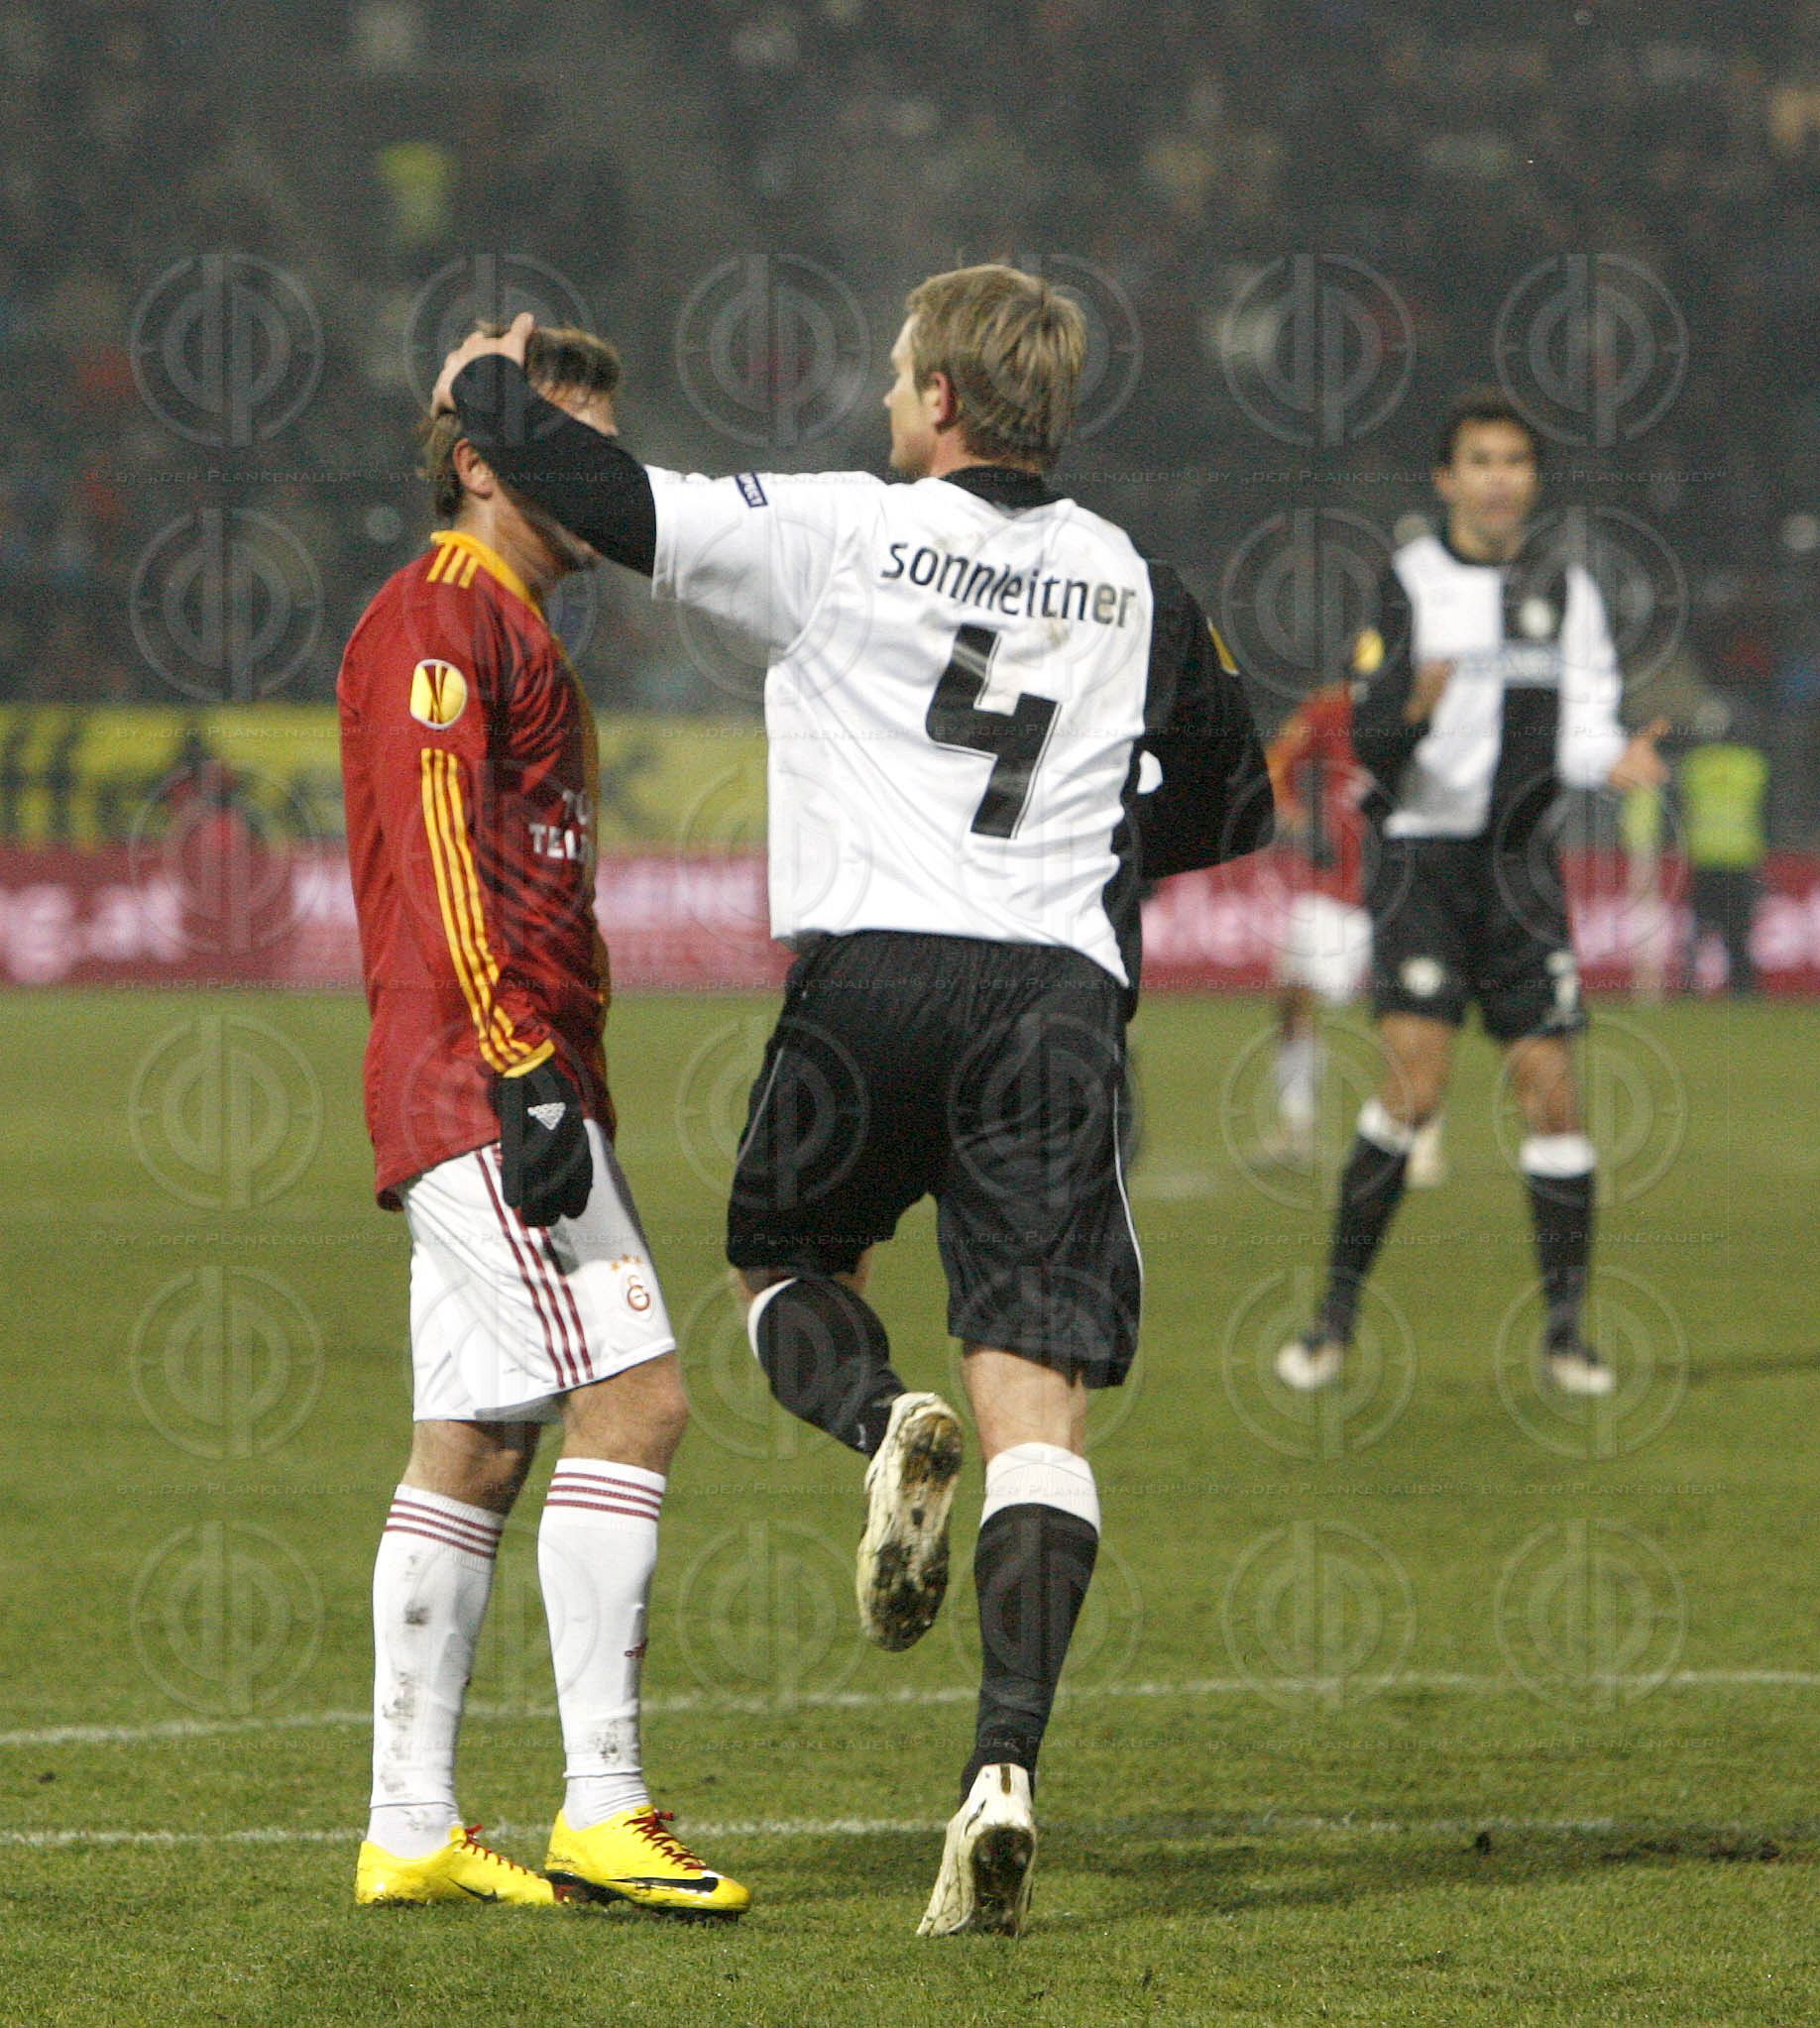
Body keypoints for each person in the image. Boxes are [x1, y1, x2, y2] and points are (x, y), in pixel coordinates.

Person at [434, 266, 1273, 1936]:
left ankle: (874, 1420)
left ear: (943, 401)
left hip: (868, 985)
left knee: (779, 1259)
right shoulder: (1139, 582)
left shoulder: (846, 529)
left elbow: (605, 499)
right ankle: (1003, 1774)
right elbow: (1232, 798)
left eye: (901, 377)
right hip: (1051, 1002)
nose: (889, 400)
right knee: (1038, 1404)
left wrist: (484, 389)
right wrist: (1101, 844)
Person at [338, 324, 747, 1917]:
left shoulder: (510, 626)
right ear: (479, 461)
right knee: (636, 1403)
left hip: (480, 1076)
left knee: (477, 1440)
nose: (607, 479)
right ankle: (603, 1802)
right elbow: (447, 858)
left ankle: (412, 1825)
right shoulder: (448, 616)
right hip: (483, 1081)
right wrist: (522, 1073)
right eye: (571, 443)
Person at [1276, 389, 1667, 1401]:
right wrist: (1413, 709)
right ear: (1448, 479)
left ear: (1531, 480)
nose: (1499, 478)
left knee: (1553, 1091)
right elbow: (1366, 741)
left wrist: (1610, 758)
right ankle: (1332, 1320)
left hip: (1521, 869)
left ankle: (1569, 1334)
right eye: (1480, 460)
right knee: (1417, 1086)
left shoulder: (1564, 592)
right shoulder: (1407, 582)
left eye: (1515, 461)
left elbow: (1584, 721)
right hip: (1420, 859)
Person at [1261, 680, 1446, 1186]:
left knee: (1415, 1017)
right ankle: (1296, 1121)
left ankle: (1422, 1135)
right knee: (1292, 994)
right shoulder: (1332, 707)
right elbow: (1278, 761)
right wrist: (1293, 813)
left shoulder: (1431, 705)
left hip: (1408, 888)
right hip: (1335, 889)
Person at [1678, 697, 1768, 995]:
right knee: (1738, 928)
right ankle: (1742, 986)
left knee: (1700, 925)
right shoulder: (1752, 765)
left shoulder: (1695, 765)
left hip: (1704, 856)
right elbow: (1768, 807)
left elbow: (1683, 806)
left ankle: (1689, 984)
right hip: (1741, 856)